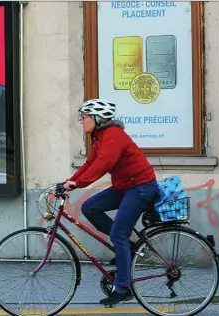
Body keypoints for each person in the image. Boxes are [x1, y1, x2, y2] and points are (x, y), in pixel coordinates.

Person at [63, 99, 158, 306]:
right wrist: (68, 182)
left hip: (140, 187)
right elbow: (90, 163)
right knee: (90, 207)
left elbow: (103, 165)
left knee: (118, 235)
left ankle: (123, 288)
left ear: (97, 118)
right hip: (126, 186)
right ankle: (129, 250)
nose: (82, 121)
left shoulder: (113, 135)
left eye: (85, 117)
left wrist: (76, 184)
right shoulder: (100, 137)